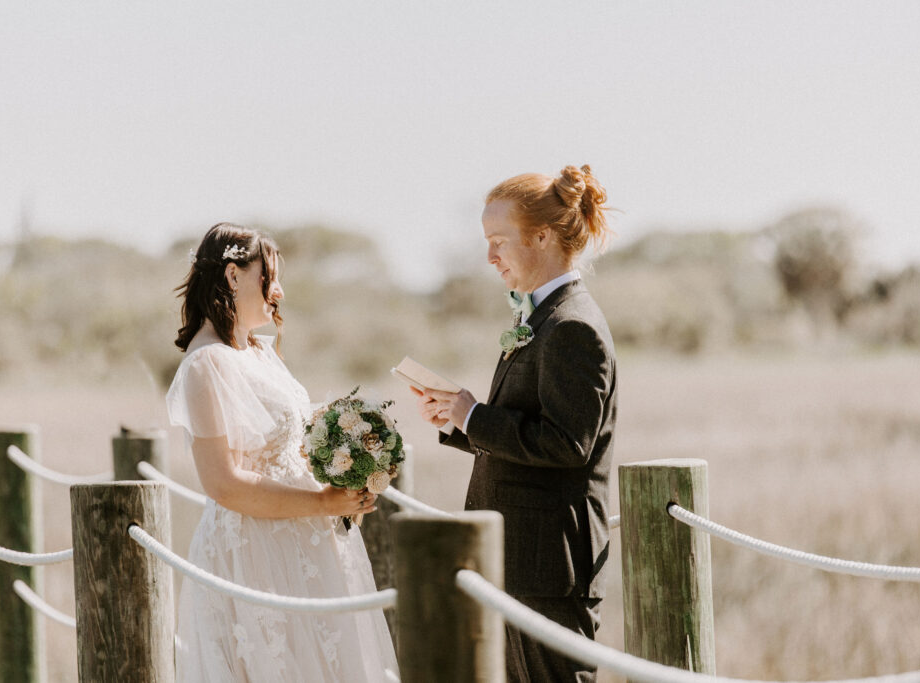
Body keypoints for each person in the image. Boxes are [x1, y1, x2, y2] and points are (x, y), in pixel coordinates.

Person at [166, 223, 398, 682]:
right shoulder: (206, 365)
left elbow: (291, 440)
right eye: (268, 276)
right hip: (255, 552)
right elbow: (223, 483)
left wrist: (349, 456)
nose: (279, 290)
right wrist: (320, 502)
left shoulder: (258, 352)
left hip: (307, 543)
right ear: (233, 277)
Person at [412, 166, 617, 683]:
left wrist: (475, 415)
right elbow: (534, 428)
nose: (489, 257)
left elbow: (569, 444)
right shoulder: (543, 318)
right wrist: (461, 421)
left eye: (498, 241)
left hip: (548, 565)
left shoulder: (572, 326)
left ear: (543, 237)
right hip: (519, 561)